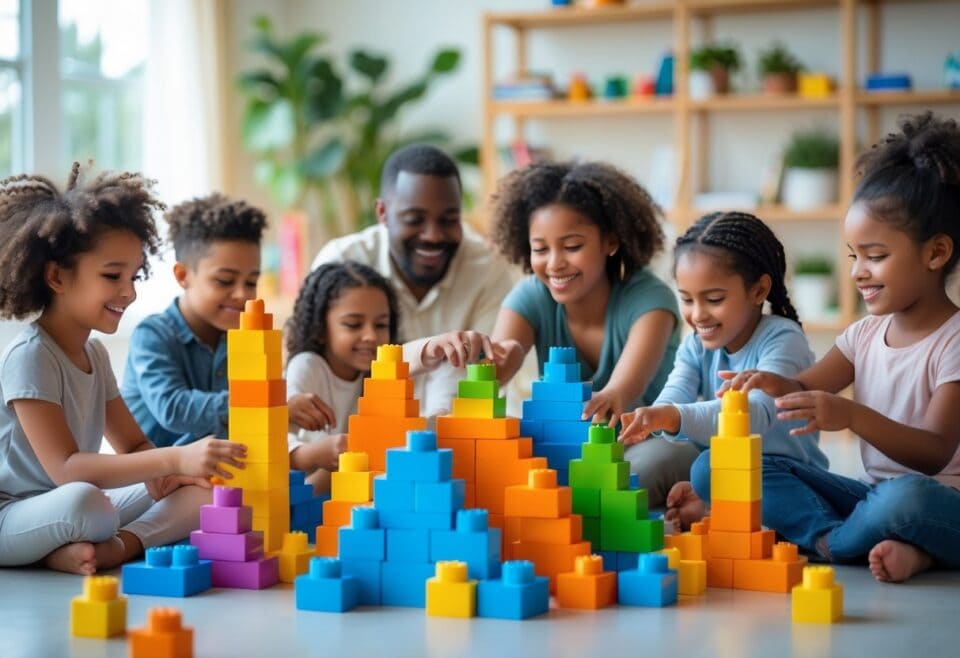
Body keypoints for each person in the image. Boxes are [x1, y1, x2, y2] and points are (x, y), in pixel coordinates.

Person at [721, 112, 960, 583]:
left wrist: (850, 416)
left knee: (905, 500)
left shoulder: (953, 340)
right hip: (871, 500)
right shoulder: (862, 336)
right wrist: (776, 383)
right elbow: (804, 390)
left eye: (876, 256)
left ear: (935, 253)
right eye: (855, 256)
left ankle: (846, 543)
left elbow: (934, 452)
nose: (857, 272)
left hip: (938, 501)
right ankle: (850, 539)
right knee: (727, 466)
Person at [0, 165, 245, 575]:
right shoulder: (31, 355)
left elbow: (133, 447)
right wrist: (175, 459)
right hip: (15, 514)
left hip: (71, 504)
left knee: (214, 490)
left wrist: (173, 473)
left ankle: (118, 547)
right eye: (112, 275)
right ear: (57, 276)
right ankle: (54, 551)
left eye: (133, 276)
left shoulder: (93, 353)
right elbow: (66, 468)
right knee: (89, 504)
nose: (128, 291)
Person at [489, 160, 693, 508]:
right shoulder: (531, 295)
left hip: (654, 439)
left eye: (571, 246)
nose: (554, 263)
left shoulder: (649, 299)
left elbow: (621, 392)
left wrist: (608, 401)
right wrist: (487, 358)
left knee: (628, 477)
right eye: (541, 249)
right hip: (575, 447)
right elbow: (500, 362)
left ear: (610, 241)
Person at [619, 211, 829, 531]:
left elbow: (754, 416)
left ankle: (818, 532)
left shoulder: (783, 339)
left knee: (708, 468)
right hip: (726, 468)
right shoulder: (695, 345)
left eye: (714, 299)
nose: (698, 314)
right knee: (690, 470)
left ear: (758, 291)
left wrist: (671, 416)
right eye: (687, 300)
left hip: (784, 473)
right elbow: (677, 392)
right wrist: (654, 415)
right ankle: (710, 505)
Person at [311, 144, 515, 417]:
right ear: (382, 213)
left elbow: (482, 381)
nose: (433, 235)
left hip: (450, 442)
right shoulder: (341, 263)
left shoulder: (487, 269)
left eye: (449, 219)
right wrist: (423, 354)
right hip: (351, 441)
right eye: (414, 219)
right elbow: (323, 373)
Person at [287, 261, 497, 494]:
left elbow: (404, 358)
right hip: (307, 491)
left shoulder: (378, 369)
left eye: (381, 325)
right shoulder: (308, 366)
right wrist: (310, 454)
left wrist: (433, 347)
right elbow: (274, 430)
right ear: (320, 330)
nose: (370, 335)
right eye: (353, 325)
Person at [122, 193, 267, 446]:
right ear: (183, 275)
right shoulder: (152, 335)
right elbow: (173, 409)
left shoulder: (244, 338)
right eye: (225, 281)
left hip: (218, 475)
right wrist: (263, 402)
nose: (242, 294)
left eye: (251, 282)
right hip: (157, 479)